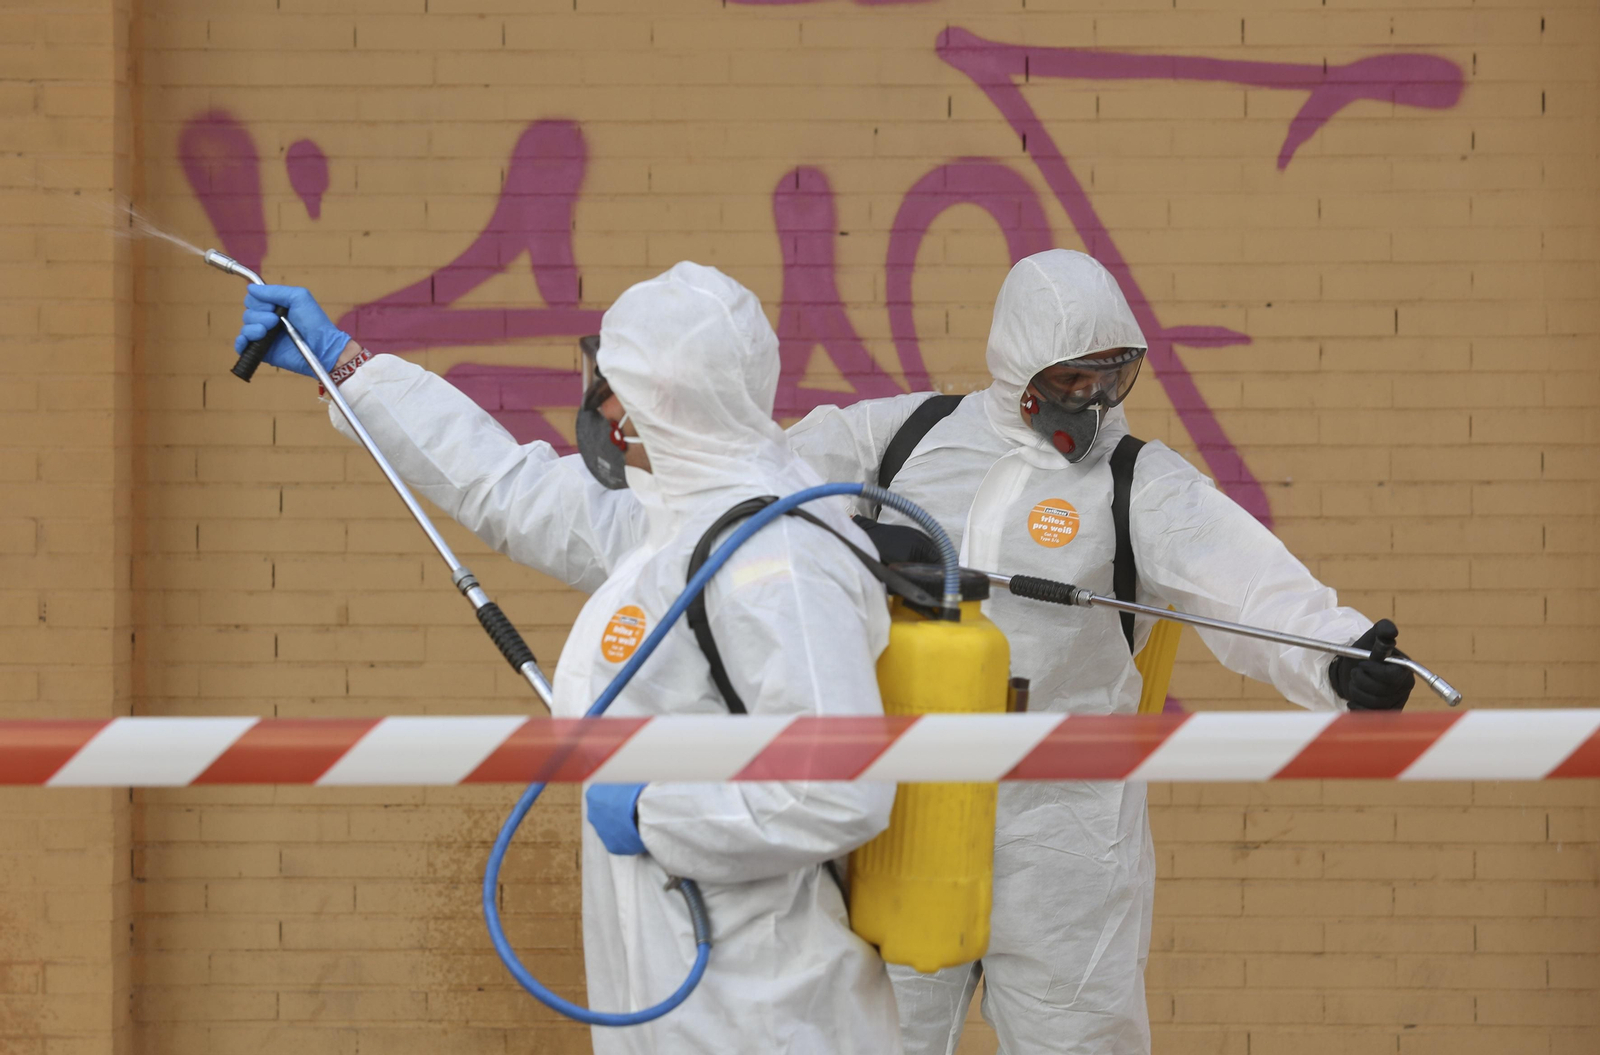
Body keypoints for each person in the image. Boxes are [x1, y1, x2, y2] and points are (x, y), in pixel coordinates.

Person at [233, 263, 904, 1054]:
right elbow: (505, 485)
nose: (598, 404)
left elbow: (839, 790)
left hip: (769, 1015)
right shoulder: (677, 523)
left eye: (610, 384)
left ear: (661, 396)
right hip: (686, 999)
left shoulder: (775, 557)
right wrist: (348, 369)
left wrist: (653, 812)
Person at [786, 248, 1414, 1055]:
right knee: (875, 1038)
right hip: (908, 812)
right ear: (1022, 369)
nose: (1095, 399)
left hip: (1064, 835)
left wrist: (1338, 655)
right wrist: (846, 535)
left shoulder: (1134, 481)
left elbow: (1246, 581)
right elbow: (756, 484)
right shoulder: (902, 441)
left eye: (1113, 378)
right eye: (1075, 378)